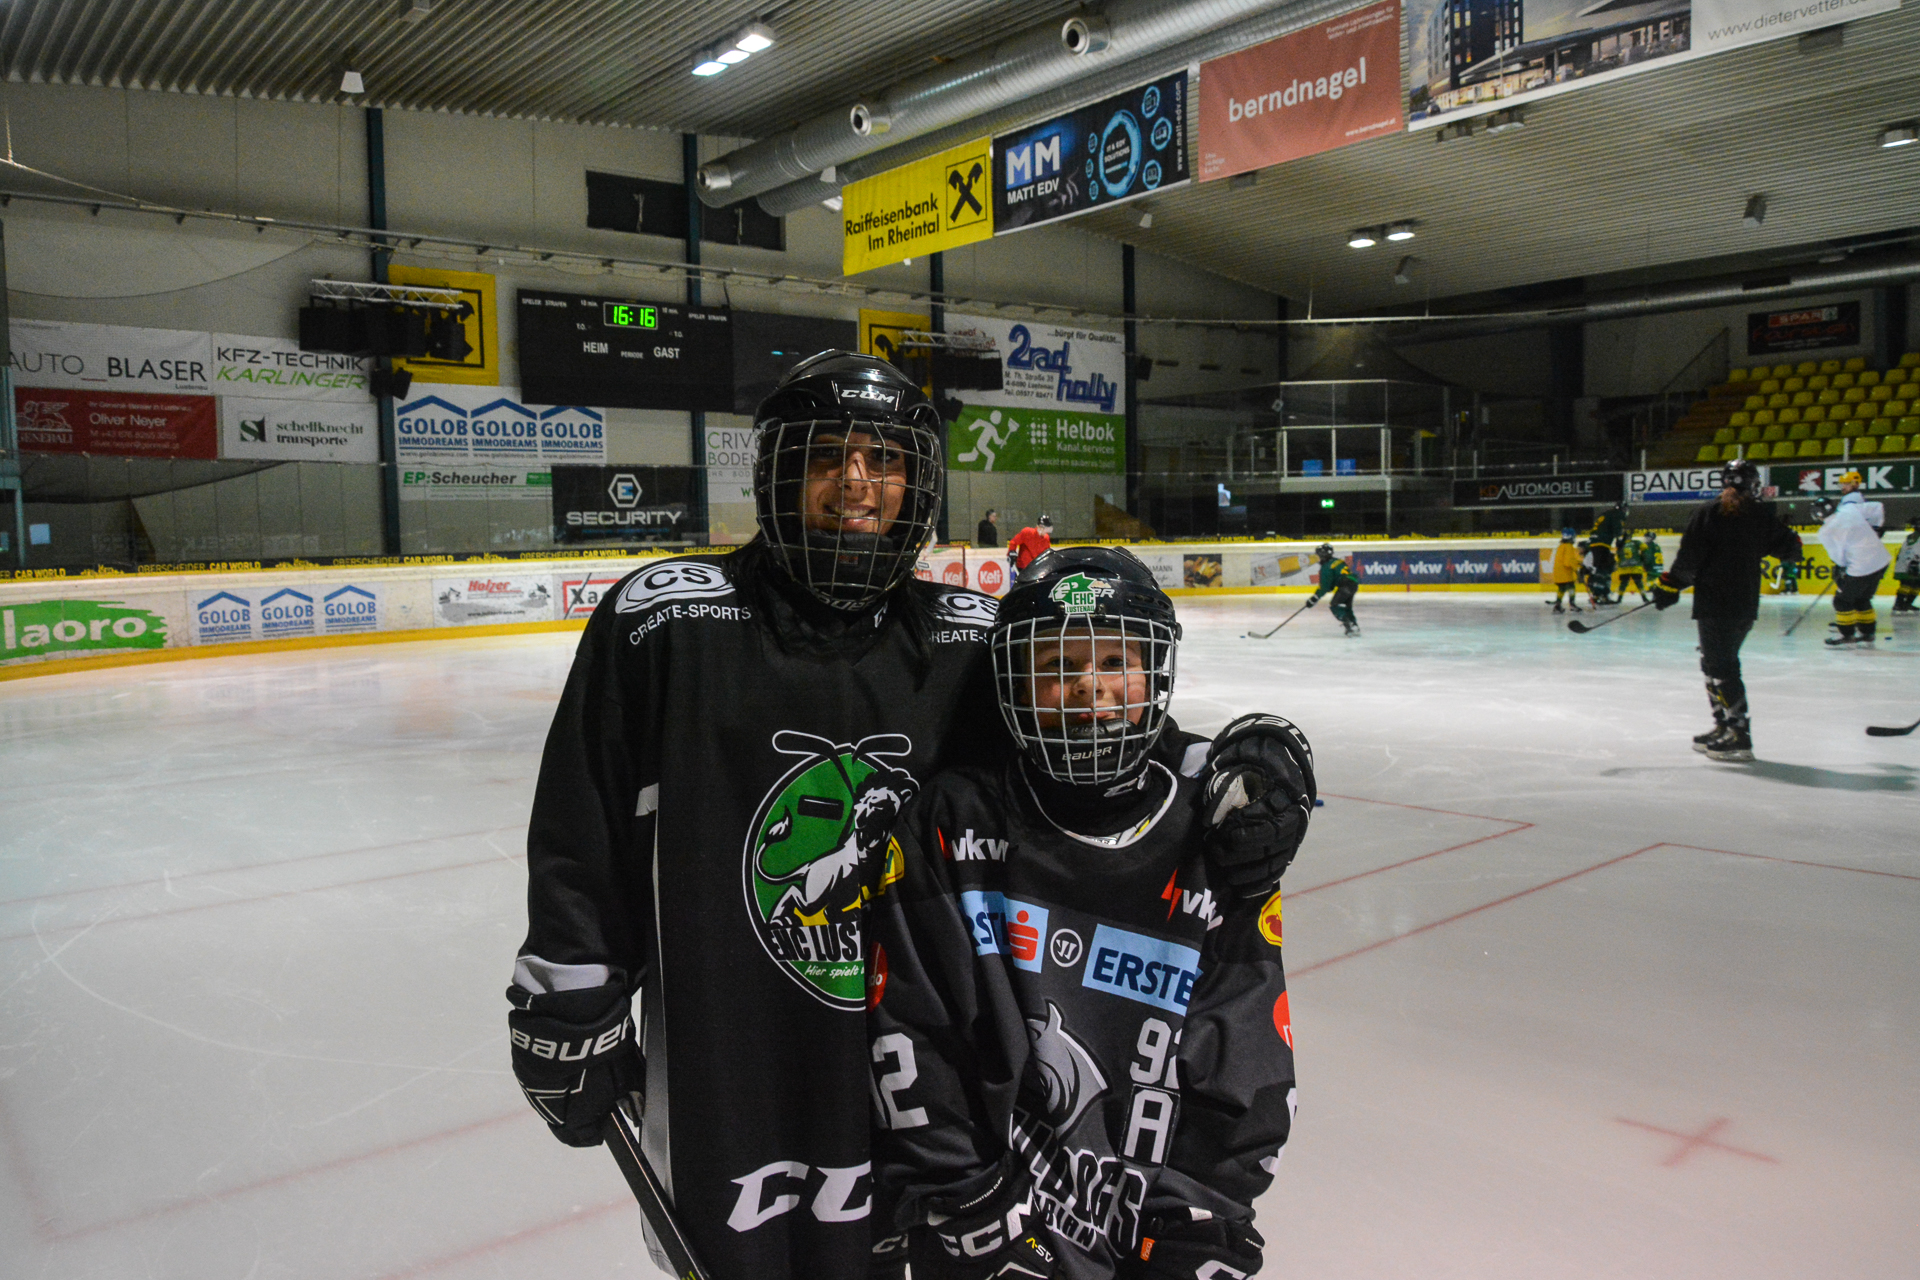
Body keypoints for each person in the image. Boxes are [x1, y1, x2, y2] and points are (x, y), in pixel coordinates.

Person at [506, 352, 1307, 1280]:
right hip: (733, 1059)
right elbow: (583, 829)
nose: (857, 482)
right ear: (774, 474)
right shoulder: (666, 625)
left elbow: (1089, 739)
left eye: (883, 460)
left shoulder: (967, 636)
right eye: (828, 456)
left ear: (916, 485)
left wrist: (1242, 765)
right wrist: (566, 987)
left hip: (938, 1084)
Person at [866, 547, 1303, 1280]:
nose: (1089, 688)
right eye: (1057, 666)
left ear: (1154, 672)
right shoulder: (954, 821)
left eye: (1114, 662)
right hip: (987, 1226)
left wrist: (1198, 1215)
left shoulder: (1216, 823)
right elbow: (912, 1030)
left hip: (1150, 1228)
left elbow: (1246, 1040)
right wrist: (970, 1208)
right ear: (1013, 684)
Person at [1651, 458, 1802, 762]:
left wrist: (1670, 585)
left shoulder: (1709, 512)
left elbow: (1690, 557)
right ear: (1753, 484)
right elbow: (1792, 549)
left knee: (1721, 666)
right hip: (1744, 603)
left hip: (1714, 603)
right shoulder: (1760, 514)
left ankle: (1739, 736)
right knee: (1715, 663)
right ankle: (1723, 726)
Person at [1816, 471, 1891, 646]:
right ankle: (1867, 632)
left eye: (1845, 483)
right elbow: (1877, 507)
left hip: (1862, 566)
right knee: (1862, 599)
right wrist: (1875, 529)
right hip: (1881, 560)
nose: (1843, 487)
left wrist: (1842, 567)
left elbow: (1837, 555)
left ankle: (1847, 633)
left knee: (1842, 601)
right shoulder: (1849, 509)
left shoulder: (1829, 527)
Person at [1307, 542, 1362, 635]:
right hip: (1353, 584)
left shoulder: (1326, 566)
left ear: (1323, 555)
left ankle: (1349, 624)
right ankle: (1354, 625)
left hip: (1345, 585)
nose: (1318, 558)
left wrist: (1314, 599)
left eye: (1319, 555)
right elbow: (1332, 583)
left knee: (1335, 605)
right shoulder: (1337, 561)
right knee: (1347, 607)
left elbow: (1325, 587)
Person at [1585, 503, 1626, 604]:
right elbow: (1618, 530)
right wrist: (1621, 540)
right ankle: (1602, 595)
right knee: (1604, 570)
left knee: (1599, 569)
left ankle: (1596, 594)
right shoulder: (1617, 514)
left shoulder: (1606, 514)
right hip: (1602, 544)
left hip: (1594, 544)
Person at [1550, 528, 1582, 614]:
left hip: (1558, 572)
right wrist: (1577, 567)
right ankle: (1572, 604)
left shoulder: (1561, 546)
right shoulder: (1569, 547)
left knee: (1562, 588)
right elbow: (1568, 562)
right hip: (1566, 573)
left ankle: (1557, 605)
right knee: (1571, 587)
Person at [1893, 516, 1920, 615]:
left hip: (1913, 564)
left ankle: (1907, 604)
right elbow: (1911, 550)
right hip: (1909, 565)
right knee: (1906, 584)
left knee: (1916, 585)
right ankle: (1898, 604)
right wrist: (1914, 562)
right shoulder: (1915, 536)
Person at [1616, 535, 1649, 602]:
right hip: (1635, 567)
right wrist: (1642, 558)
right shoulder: (1635, 542)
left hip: (1623, 568)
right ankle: (1644, 597)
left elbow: (1618, 555)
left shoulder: (1620, 543)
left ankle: (1619, 598)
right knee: (1639, 583)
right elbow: (1645, 548)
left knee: (1623, 584)